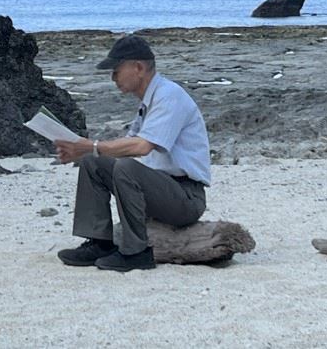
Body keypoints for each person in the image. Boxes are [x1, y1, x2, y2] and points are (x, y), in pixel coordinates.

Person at [55, 35, 211, 272]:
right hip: (161, 189)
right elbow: (127, 145)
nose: (112, 77)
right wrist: (81, 152)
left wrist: (92, 145)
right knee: (92, 163)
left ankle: (136, 252)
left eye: (116, 70)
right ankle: (99, 242)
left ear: (138, 67)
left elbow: (141, 147)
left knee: (123, 167)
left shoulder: (169, 95)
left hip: (186, 196)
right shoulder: (148, 102)